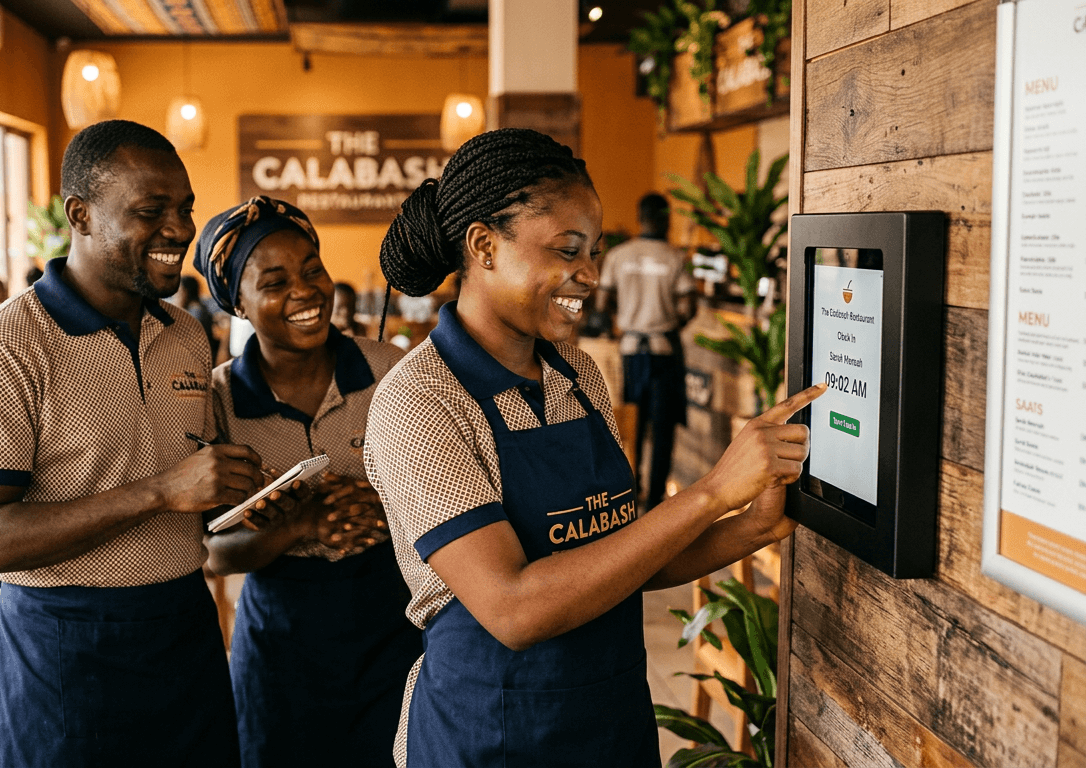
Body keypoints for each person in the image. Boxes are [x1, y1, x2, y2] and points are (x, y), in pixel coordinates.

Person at [364, 128, 825, 767]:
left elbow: (623, 557)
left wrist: (750, 528)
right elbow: (513, 608)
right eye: (566, 250)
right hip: (492, 736)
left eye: (594, 251)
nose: (589, 275)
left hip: (608, 724)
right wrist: (711, 492)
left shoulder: (579, 375)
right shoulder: (420, 400)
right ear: (483, 246)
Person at [0, 119, 264, 767]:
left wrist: (239, 495)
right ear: (80, 215)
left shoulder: (185, 336)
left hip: (182, 624)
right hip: (59, 642)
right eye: (151, 211)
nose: (179, 229)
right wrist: (163, 491)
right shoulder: (4, 347)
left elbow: (183, 487)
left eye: (184, 209)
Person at [196, 196, 422, 767]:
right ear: (238, 306)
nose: (304, 291)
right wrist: (304, 519)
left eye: (312, 269)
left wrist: (386, 502)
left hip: (393, 623)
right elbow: (212, 554)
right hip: (281, 640)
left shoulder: (388, 370)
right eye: (274, 281)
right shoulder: (218, 401)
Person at [596, 193, 697, 510]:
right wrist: (669, 322)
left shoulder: (618, 255)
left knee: (630, 426)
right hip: (663, 351)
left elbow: (601, 304)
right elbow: (689, 305)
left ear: (640, 217)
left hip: (630, 351)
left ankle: (628, 491)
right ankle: (655, 500)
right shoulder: (674, 256)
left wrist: (624, 318)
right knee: (662, 427)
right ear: (667, 219)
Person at [173, 273, 216, 354]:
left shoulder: (196, 312)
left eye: (179, 292)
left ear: (187, 292)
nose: (176, 297)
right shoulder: (197, 308)